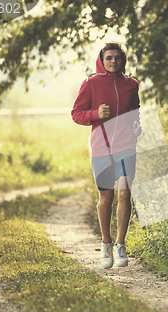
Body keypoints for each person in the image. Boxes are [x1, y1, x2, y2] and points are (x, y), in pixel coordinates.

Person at [71, 42, 142, 269]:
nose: (113, 62)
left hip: (126, 147)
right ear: (102, 59)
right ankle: (106, 243)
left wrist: (136, 127)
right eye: (109, 58)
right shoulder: (91, 83)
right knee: (106, 198)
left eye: (117, 58)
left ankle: (120, 244)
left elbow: (135, 112)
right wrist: (95, 113)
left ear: (123, 59)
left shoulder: (132, 85)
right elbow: (76, 114)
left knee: (124, 194)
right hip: (101, 148)